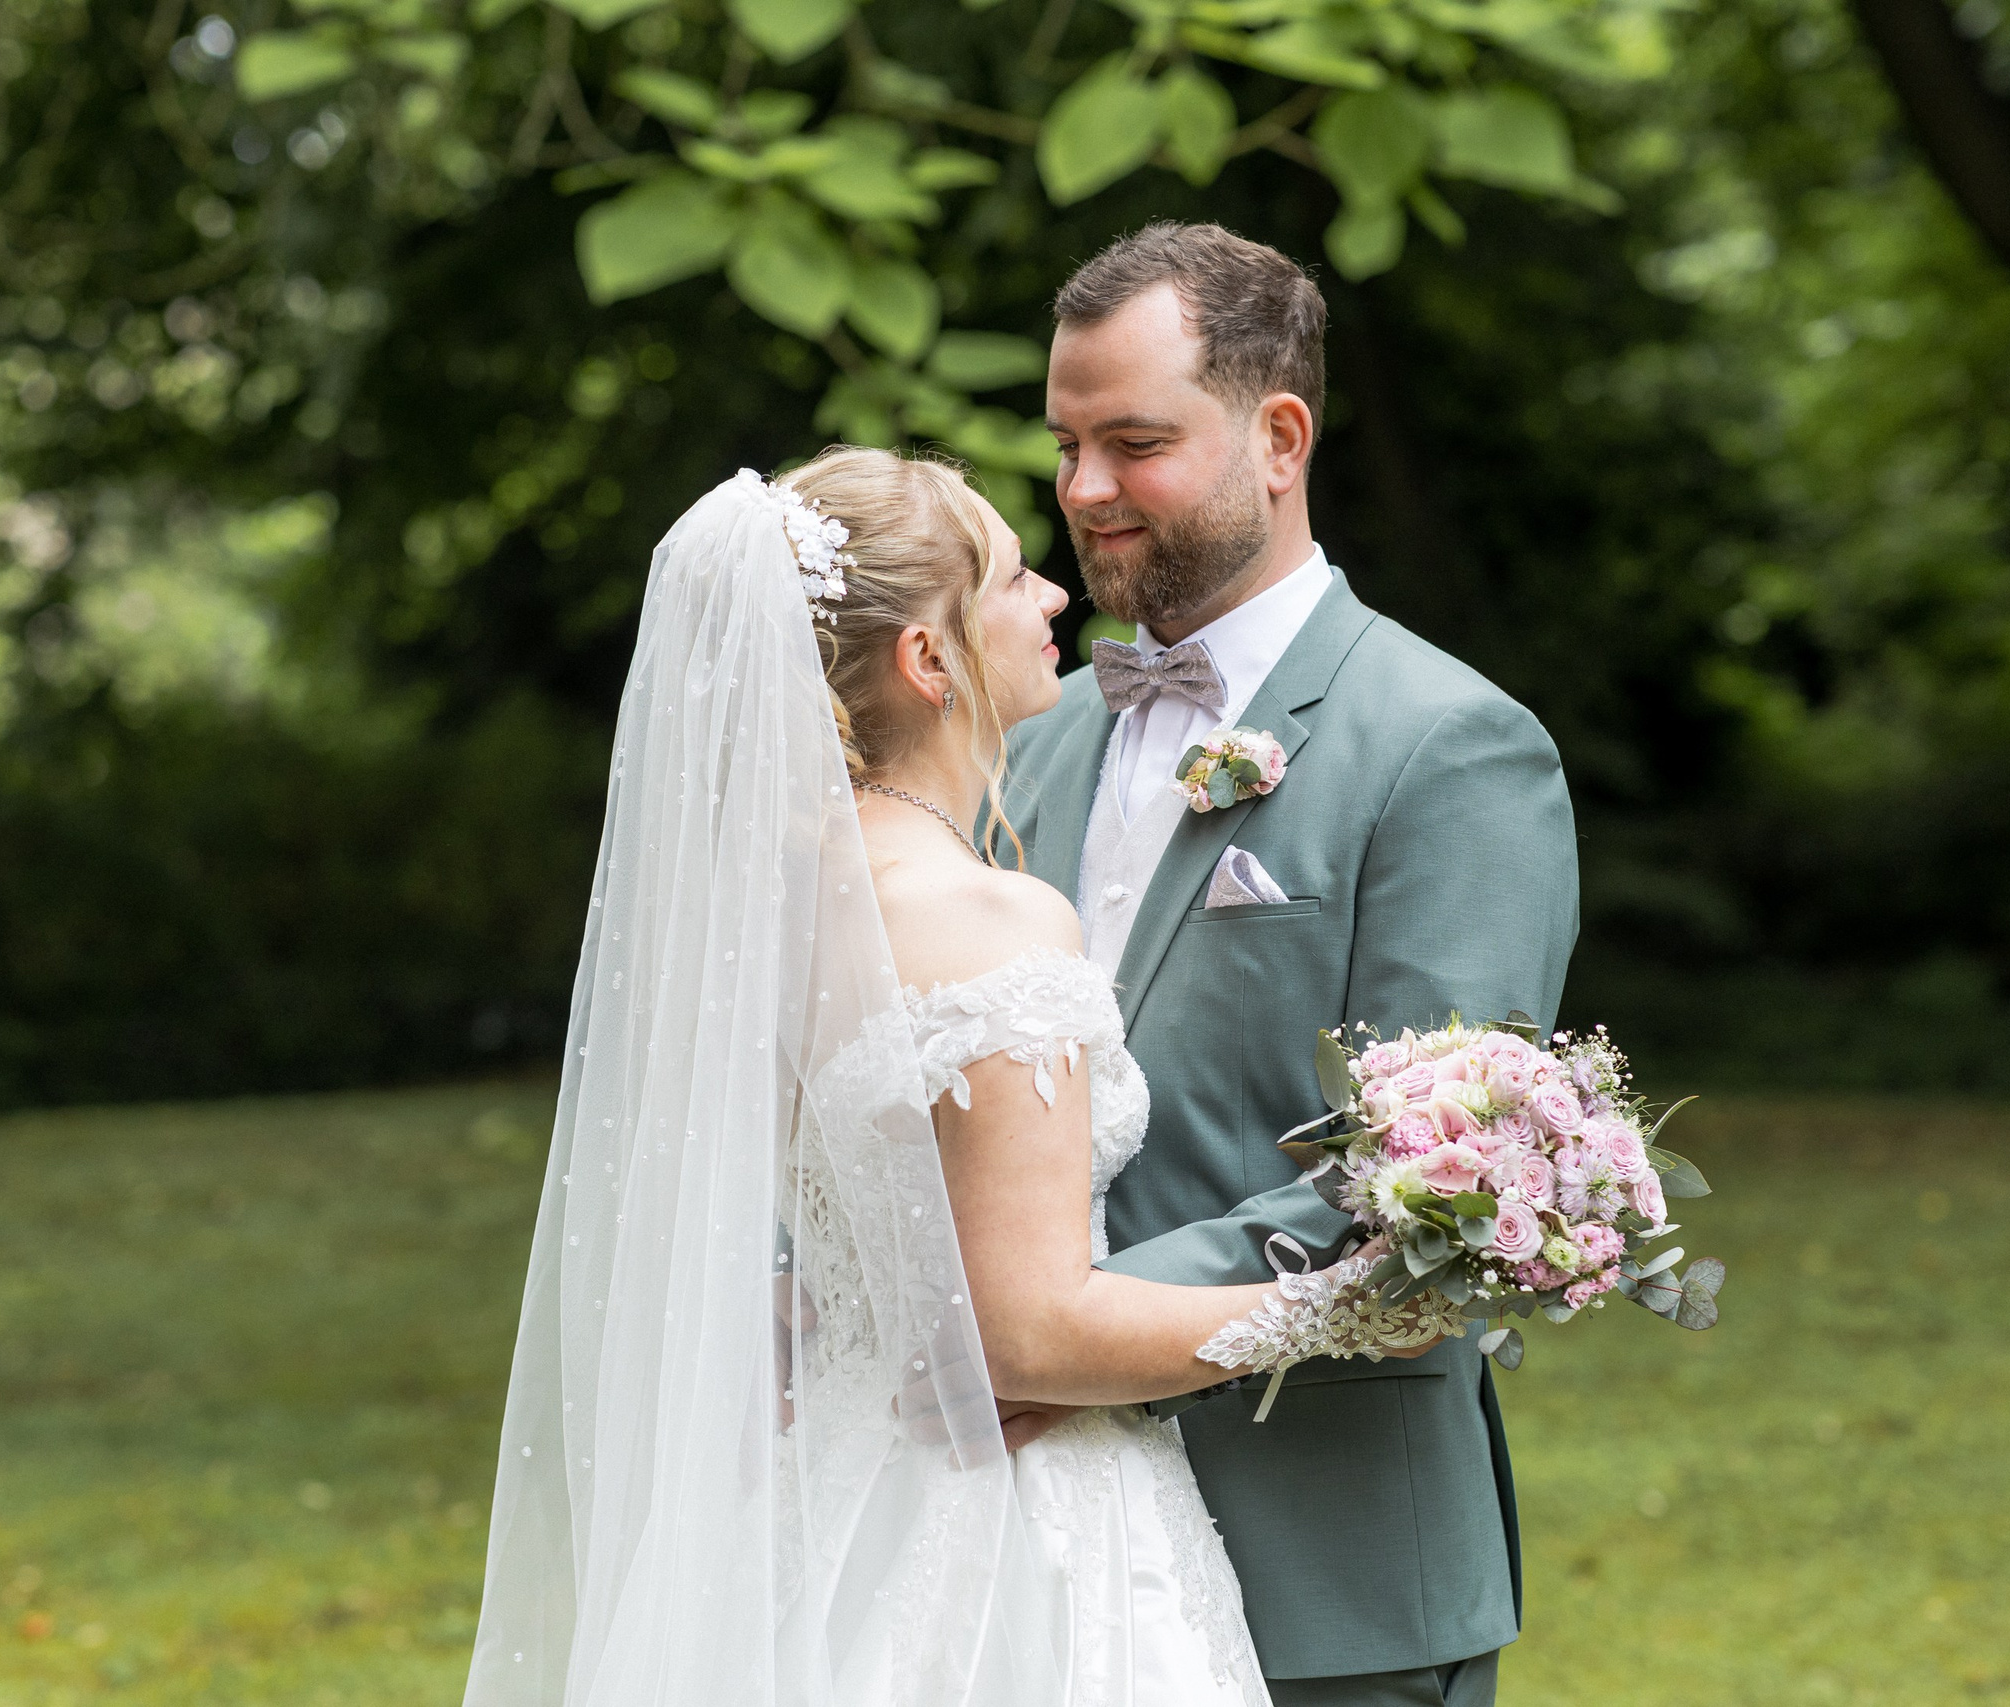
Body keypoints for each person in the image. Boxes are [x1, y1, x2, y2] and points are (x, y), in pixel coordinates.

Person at [464, 443, 1417, 1706]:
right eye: (1015, 580)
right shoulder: (984, 921)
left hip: (839, 1491)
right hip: (1012, 1528)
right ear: (927, 661)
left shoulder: (771, 913)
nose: (1056, 602)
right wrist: (1363, 1297)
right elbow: (1031, 1330)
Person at [997, 221, 1581, 1707]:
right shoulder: (1033, 734)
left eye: (1133, 441)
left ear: (1278, 434)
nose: (1082, 491)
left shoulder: (1448, 745)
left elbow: (1431, 1174)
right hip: (1021, 1551)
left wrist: (1056, 1334)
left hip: (1322, 1574)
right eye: (1065, 445)